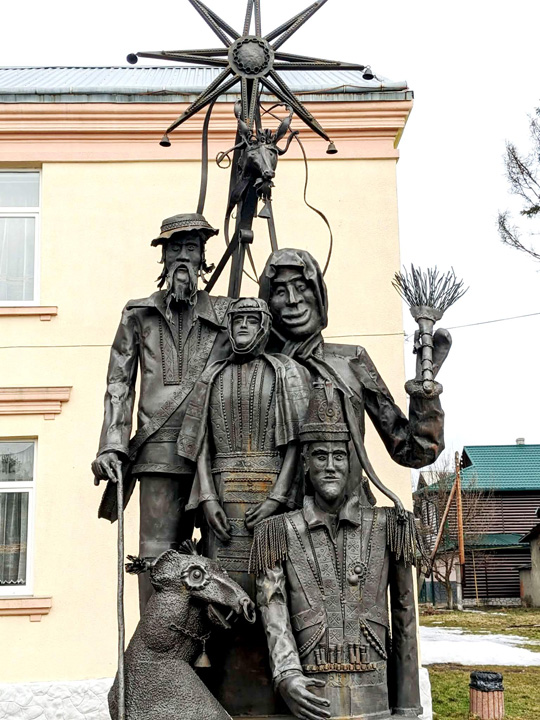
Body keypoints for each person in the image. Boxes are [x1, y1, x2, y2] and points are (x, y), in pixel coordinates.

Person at [175, 296, 312, 718]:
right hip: (222, 506)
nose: (242, 328)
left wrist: (277, 498)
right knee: (222, 602)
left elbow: (296, 445)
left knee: (272, 594)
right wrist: (207, 496)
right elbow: (199, 445)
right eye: (236, 321)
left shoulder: (284, 371)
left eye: (251, 321)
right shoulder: (212, 376)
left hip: (270, 505)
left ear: (265, 327)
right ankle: (223, 702)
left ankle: (278, 694)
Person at [251, 385, 423, 720]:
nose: (330, 466)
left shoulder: (390, 526)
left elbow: (405, 619)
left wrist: (407, 709)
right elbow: (273, 609)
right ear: (305, 463)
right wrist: (287, 675)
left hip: (375, 705)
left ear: (351, 462)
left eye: (339, 456)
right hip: (311, 701)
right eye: (320, 456)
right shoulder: (276, 533)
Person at [92, 212, 232, 611]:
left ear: (203, 257)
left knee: (224, 552)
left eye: (192, 248)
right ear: (164, 256)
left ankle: (214, 647)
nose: (183, 257)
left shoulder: (227, 314)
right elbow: (119, 382)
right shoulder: (139, 315)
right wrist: (113, 444)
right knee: (156, 558)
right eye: (175, 249)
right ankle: (153, 646)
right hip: (158, 455)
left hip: (216, 453)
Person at [258, 249, 449, 487]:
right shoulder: (256, 370)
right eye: (279, 291)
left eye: (301, 287)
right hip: (270, 510)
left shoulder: (353, 361)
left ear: (319, 293)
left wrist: (424, 392)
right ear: (266, 303)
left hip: (348, 510)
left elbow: (413, 451)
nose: (293, 299)